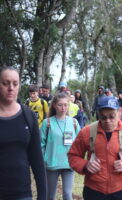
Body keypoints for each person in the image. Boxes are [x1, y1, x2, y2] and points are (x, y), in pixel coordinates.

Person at [68, 96, 122, 199]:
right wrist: (85, 165)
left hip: (120, 190)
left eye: (112, 116)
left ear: (119, 112)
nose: (107, 121)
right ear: (99, 114)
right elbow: (73, 155)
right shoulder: (87, 132)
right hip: (93, 190)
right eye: (103, 117)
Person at [0, 67, 46, 199]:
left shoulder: (29, 116)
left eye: (15, 83)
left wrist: (42, 195)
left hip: (22, 193)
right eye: (5, 83)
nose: (11, 88)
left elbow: (37, 158)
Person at [40, 92, 80, 200]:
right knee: (50, 196)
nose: (63, 108)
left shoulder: (74, 122)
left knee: (67, 195)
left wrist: (78, 159)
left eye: (65, 105)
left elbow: (79, 143)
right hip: (52, 164)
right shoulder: (47, 123)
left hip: (69, 164)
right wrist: (44, 160)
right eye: (60, 105)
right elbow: (41, 144)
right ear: (54, 105)